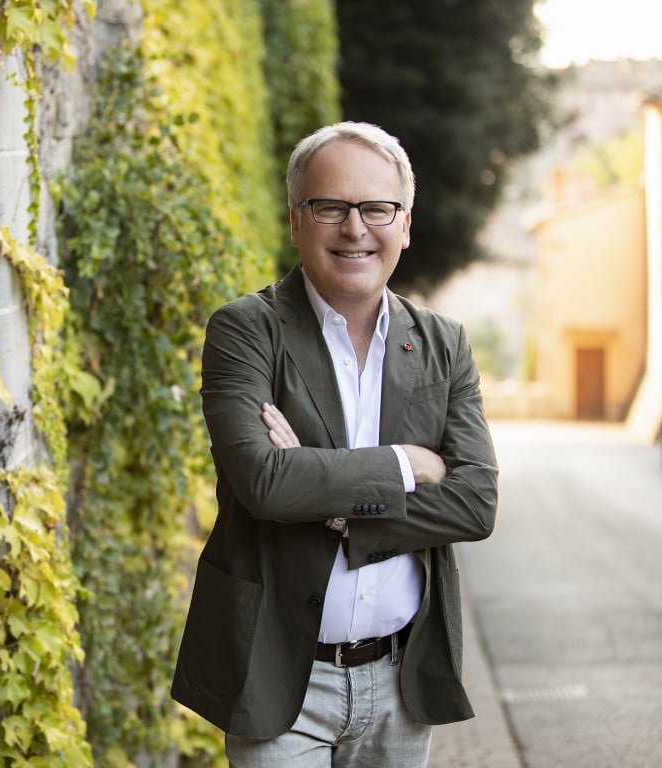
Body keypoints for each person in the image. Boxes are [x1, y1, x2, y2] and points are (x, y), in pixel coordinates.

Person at [171, 121, 498, 767]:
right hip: (280, 679)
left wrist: (334, 505)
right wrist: (408, 464)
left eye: (377, 208)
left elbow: (475, 504)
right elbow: (265, 483)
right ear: (297, 220)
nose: (355, 229)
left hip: (402, 679)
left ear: (405, 224)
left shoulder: (444, 343)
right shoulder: (245, 331)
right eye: (330, 207)